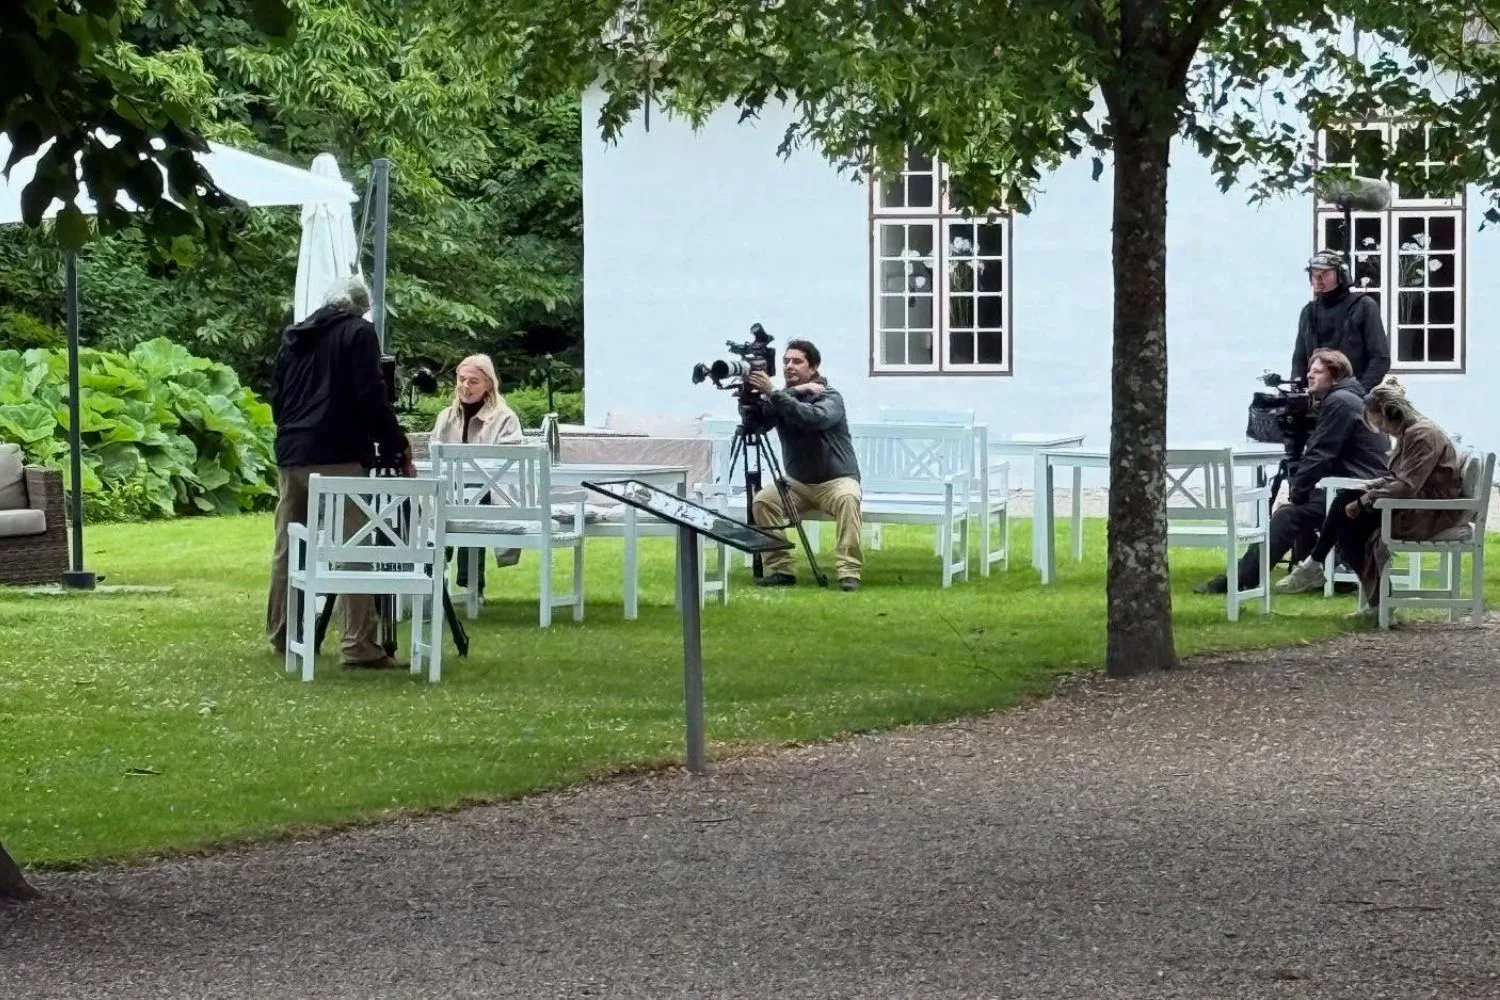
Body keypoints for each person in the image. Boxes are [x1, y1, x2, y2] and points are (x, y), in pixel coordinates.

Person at [265, 276, 412, 669]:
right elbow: (370, 394)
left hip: (292, 452)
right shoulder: (358, 333)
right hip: (336, 452)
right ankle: (358, 643)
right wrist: (397, 446)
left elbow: (277, 396)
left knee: (289, 544)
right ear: (359, 309)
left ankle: (282, 633)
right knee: (355, 544)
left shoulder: (295, 337)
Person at [1196, 348, 1389, 594]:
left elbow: (1321, 452)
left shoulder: (1339, 402)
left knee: (1288, 514)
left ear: (1336, 376)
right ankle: (1301, 569)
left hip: (1354, 490)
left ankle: (1241, 579)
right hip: (1358, 485)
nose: (1309, 376)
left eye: (1317, 372)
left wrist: (1298, 487)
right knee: (1296, 508)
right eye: (1310, 371)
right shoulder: (1351, 398)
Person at [1276, 382, 1467, 613]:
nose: (1381, 430)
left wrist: (1365, 500)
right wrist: (1369, 488)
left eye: (1379, 423)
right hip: (1417, 505)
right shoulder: (1412, 432)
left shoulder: (1421, 435)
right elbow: (1400, 477)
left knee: (1348, 518)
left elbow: (1407, 486)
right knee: (1344, 509)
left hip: (1428, 513)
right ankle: (1370, 595)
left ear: (1389, 414)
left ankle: (1326, 571)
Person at [743, 340, 863, 591]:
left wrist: (776, 394)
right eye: (785, 361)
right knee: (763, 502)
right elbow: (760, 424)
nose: (789, 366)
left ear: (814, 367)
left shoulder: (830, 396)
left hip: (836, 481)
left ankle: (848, 571)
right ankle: (781, 569)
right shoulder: (783, 398)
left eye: (797, 361)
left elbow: (814, 419)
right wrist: (750, 398)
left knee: (849, 499)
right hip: (797, 484)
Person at [429, 354, 524, 597]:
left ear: (488, 384)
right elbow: (434, 460)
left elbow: (509, 466)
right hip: (449, 492)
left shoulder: (505, 418)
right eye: (461, 379)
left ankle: (466, 582)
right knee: (443, 502)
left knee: (470, 498)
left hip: (492, 493)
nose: (465, 386)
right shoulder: (446, 417)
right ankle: (438, 575)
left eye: (473, 381)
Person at [1290, 250, 1391, 392]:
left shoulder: (1363, 306)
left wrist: (1359, 392)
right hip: (1315, 396)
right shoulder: (1309, 312)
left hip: (1351, 395)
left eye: (1325, 274)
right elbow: (1299, 359)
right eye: (1314, 274)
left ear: (1341, 275)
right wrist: (1297, 389)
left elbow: (1380, 358)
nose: (1318, 280)